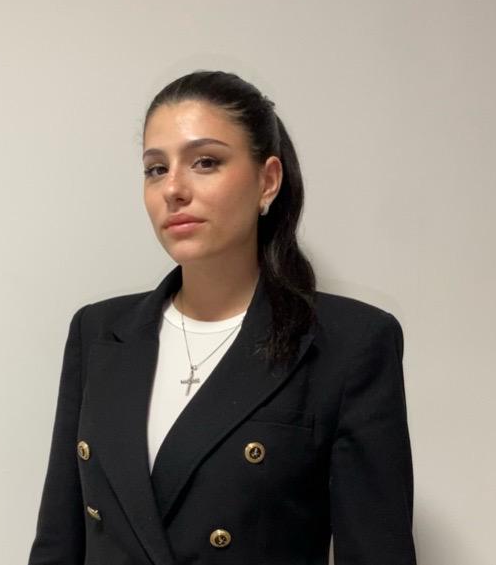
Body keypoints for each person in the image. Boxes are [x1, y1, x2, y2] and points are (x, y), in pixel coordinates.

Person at [27, 70, 417, 565]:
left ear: (267, 181)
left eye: (205, 162)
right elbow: (58, 542)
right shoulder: (99, 332)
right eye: (155, 169)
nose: (173, 188)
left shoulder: (348, 343)